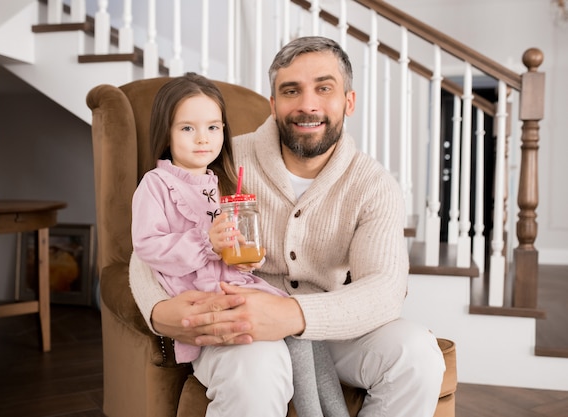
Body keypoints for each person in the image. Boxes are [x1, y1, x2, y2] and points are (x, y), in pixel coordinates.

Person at [130, 37, 446, 417]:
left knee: (417, 355)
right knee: (257, 370)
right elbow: (149, 245)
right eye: (291, 90)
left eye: (324, 88)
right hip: (237, 319)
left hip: (330, 325)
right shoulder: (223, 158)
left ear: (349, 101)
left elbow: (385, 290)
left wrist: (293, 315)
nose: (307, 104)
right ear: (274, 104)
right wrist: (158, 310)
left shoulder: (373, 185)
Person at [130, 73, 348, 417]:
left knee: (305, 332)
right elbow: (148, 247)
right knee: (292, 338)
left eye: (213, 127)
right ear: (166, 132)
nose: (203, 138)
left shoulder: (220, 183)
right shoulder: (156, 185)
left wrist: (242, 258)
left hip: (239, 288)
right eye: (187, 128)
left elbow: (224, 250)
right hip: (207, 303)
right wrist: (206, 241)